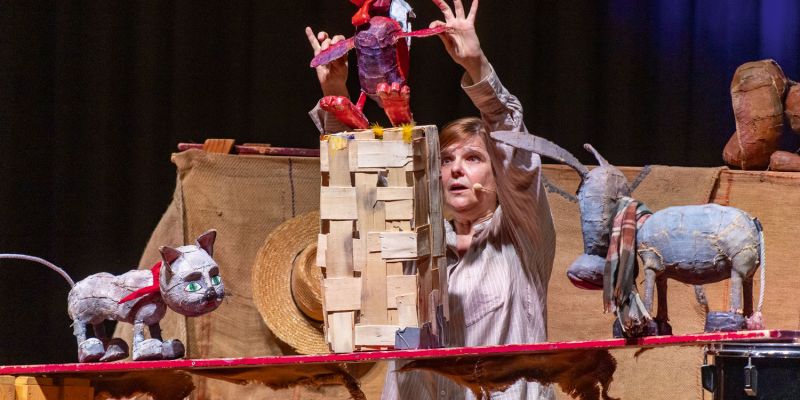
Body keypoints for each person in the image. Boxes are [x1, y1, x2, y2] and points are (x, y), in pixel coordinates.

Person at [307, 0, 556, 398]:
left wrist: (477, 67)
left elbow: (518, 155)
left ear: (498, 175)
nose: (456, 169)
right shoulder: (410, 237)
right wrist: (335, 92)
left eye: (473, 159)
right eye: (447, 160)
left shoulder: (521, 235)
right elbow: (357, 191)